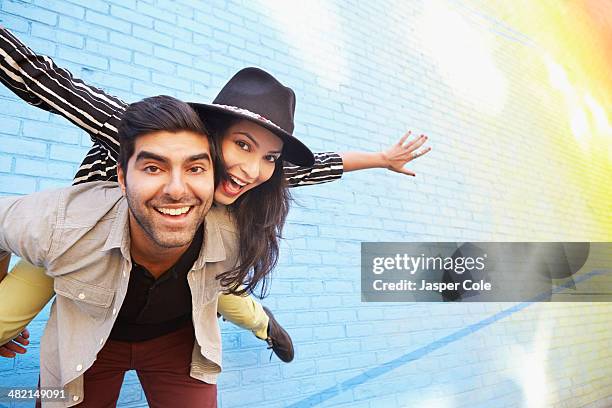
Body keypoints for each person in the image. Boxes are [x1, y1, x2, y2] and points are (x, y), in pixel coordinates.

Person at [0, 27, 430, 361]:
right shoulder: (152, 133)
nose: (251, 169)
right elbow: (47, 83)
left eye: (269, 157)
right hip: (89, 243)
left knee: (235, 302)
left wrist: (380, 158)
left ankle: (269, 327)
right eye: (242, 145)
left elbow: (316, 165)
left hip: (192, 258)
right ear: (212, 133)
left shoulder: (255, 178)